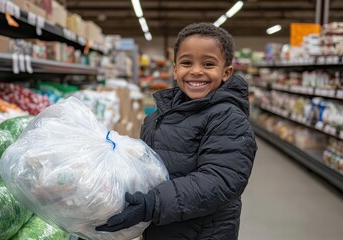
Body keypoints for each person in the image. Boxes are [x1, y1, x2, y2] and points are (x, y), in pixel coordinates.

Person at [96, 22, 258, 239]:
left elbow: (219, 180)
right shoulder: (160, 115)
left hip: (203, 231)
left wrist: (152, 203)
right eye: (186, 62)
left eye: (208, 64)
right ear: (174, 69)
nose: (196, 71)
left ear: (226, 72)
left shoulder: (228, 118)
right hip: (165, 225)